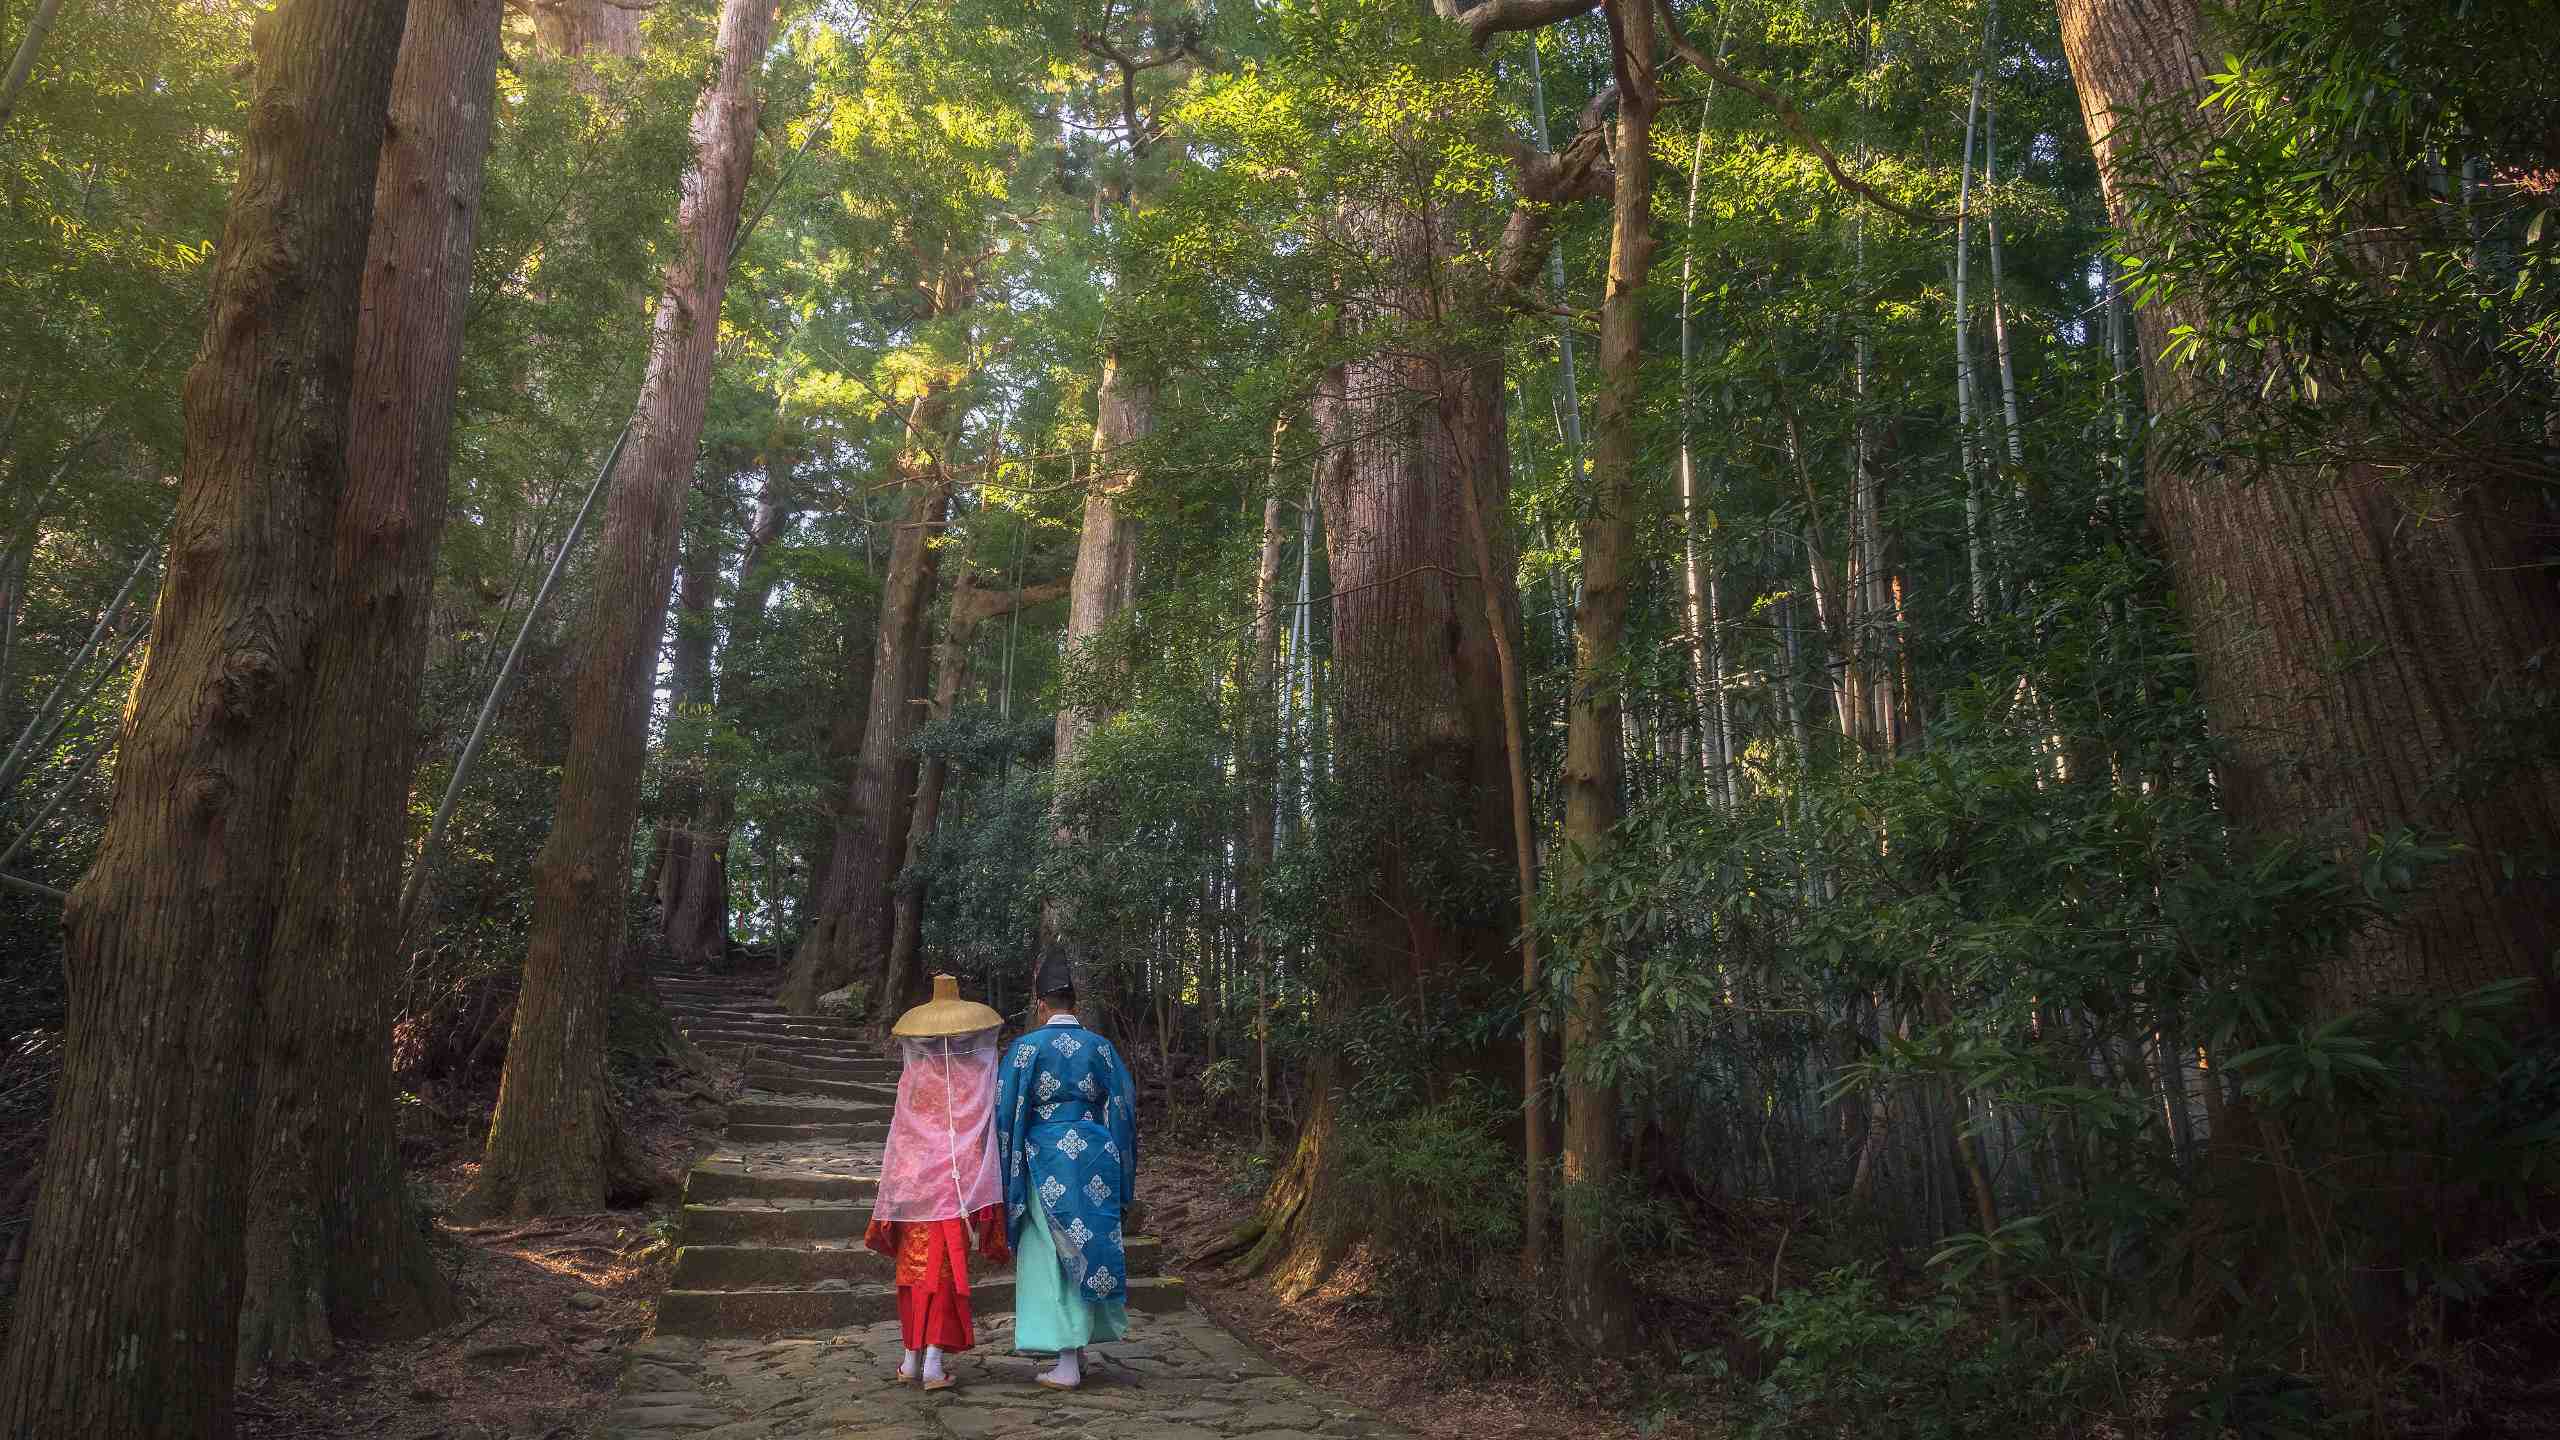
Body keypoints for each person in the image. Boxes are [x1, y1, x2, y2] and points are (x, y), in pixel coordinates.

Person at [995, 948, 1138, 1391]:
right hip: (1095, 1153)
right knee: (1088, 1243)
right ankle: (1078, 1349)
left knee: (1052, 1252)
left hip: (1045, 1157)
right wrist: (1120, 1162)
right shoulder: (1103, 1048)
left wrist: (1009, 1164)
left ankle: (1066, 1360)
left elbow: (1006, 1113)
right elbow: (1124, 1108)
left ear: (1041, 1004)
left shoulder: (1025, 1049)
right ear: (1075, 1003)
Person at [863, 973, 1011, 1392]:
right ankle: (930, 1362)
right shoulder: (973, 1077)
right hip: (956, 1190)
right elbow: (979, 1133)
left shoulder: (915, 1079)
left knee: (913, 1275)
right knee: (941, 1277)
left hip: (915, 1189)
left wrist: (897, 1187)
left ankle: (911, 1357)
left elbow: (902, 1134)